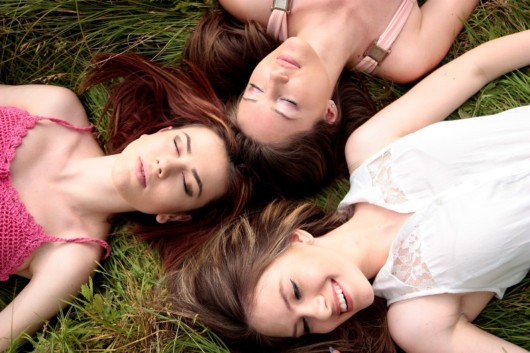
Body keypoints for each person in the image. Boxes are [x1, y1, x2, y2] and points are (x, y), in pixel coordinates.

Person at [169, 29, 530, 353]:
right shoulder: (419, 320)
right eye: (305, 326)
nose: (321, 309)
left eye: (295, 291)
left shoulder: (369, 149)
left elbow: (476, 69)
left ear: (296, 239)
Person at [0, 53, 251, 351]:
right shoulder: (56, 107)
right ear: (159, 133)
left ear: (173, 215)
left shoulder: (72, 255)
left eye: (186, 183)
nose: (165, 166)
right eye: (177, 146)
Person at [184, 11, 377, 198]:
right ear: (329, 113)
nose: (276, 77)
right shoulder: (404, 57)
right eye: (287, 103)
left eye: (256, 89)